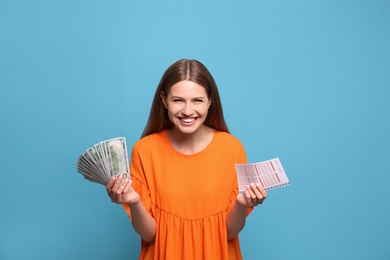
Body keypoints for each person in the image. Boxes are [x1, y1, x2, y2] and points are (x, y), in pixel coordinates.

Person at [106, 58, 267, 259]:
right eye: (178, 100)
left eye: (197, 100)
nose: (188, 111)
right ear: (164, 100)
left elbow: (227, 233)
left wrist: (242, 203)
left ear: (210, 101)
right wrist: (134, 202)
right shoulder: (145, 150)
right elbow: (150, 234)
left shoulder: (232, 148)